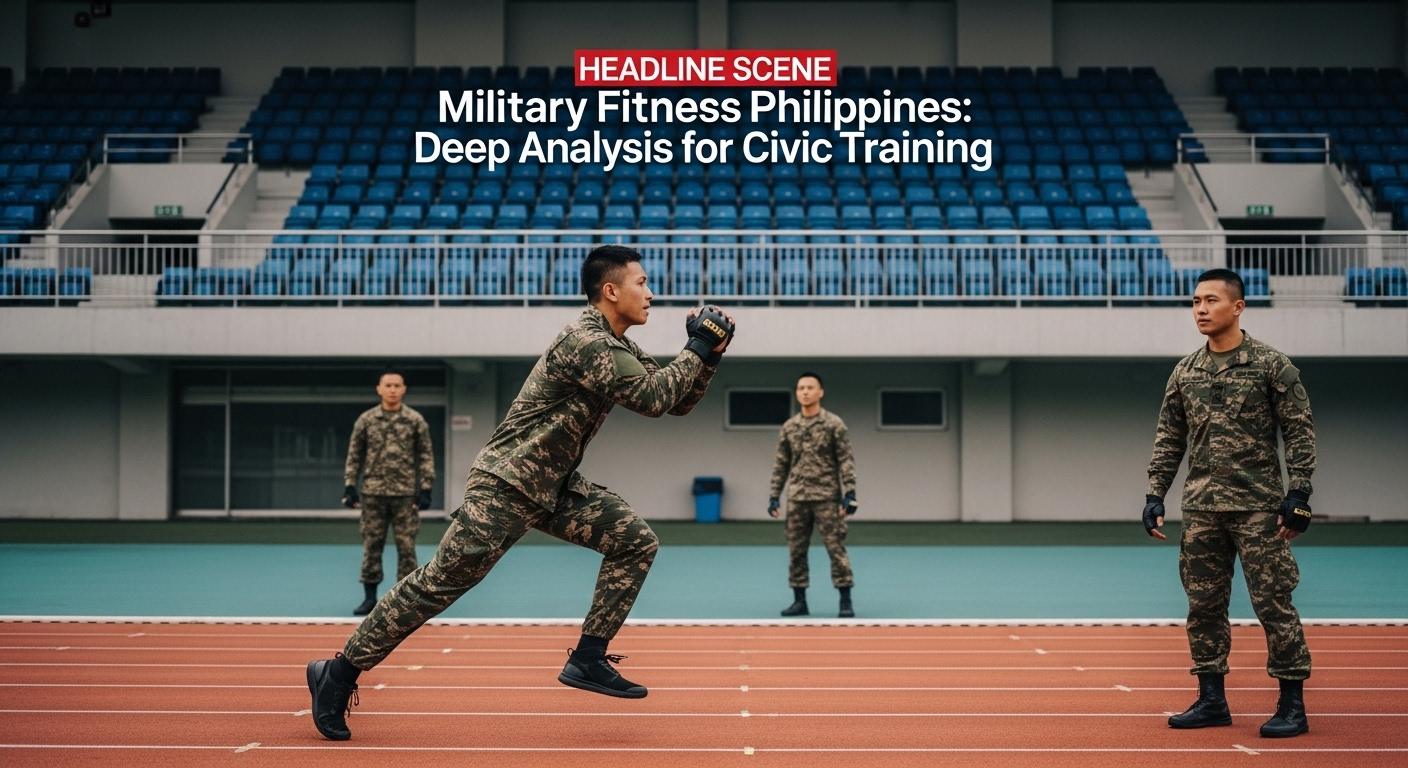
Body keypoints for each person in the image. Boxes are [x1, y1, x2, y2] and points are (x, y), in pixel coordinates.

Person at [305, 244, 734, 741]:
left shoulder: (616, 343)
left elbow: (674, 399)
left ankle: (589, 657)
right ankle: (337, 673)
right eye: (642, 283)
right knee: (438, 584)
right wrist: (698, 346)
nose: (652, 293)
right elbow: (654, 399)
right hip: (507, 483)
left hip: (552, 485)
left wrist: (710, 357)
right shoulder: (586, 341)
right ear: (611, 290)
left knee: (634, 541)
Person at [1143, 268, 1316, 739]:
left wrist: (1298, 493)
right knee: (1203, 607)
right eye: (1196, 301)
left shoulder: (1271, 365)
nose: (1200, 309)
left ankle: (1292, 705)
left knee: (1273, 604)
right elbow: (1169, 438)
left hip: (1260, 507)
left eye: (1211, 300)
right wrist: (1155, 492)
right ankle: (1212, 699)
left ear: (1237, 307)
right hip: (1201, 508)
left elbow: (1299, 431)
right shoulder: (1185, 371)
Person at [341, 369, 436, 616]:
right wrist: (350, 485)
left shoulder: (415, 420)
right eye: (388, 385)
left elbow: (425, 455)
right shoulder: (366, 420)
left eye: (397, 385)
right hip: (373, 493)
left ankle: (405, 602)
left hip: (405, 494)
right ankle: (369, 599)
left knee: (407, 547)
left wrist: (426, 487)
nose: (392, 389)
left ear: (403, 389)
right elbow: (354, 455)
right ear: (379, 389)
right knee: (372, 545)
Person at [768, 371, 858, 618]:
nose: (805, 392)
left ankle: (845, 600)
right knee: (796, 550)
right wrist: (775, 495)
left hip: (827, 497)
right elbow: (781, 464)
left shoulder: (833, 425)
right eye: (801, 388)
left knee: (835, 548)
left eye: (810, 387)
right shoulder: (790, 427)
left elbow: (846, 460)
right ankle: (799, 601)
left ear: (820, 392)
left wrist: (850, 493)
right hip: (797, 497)